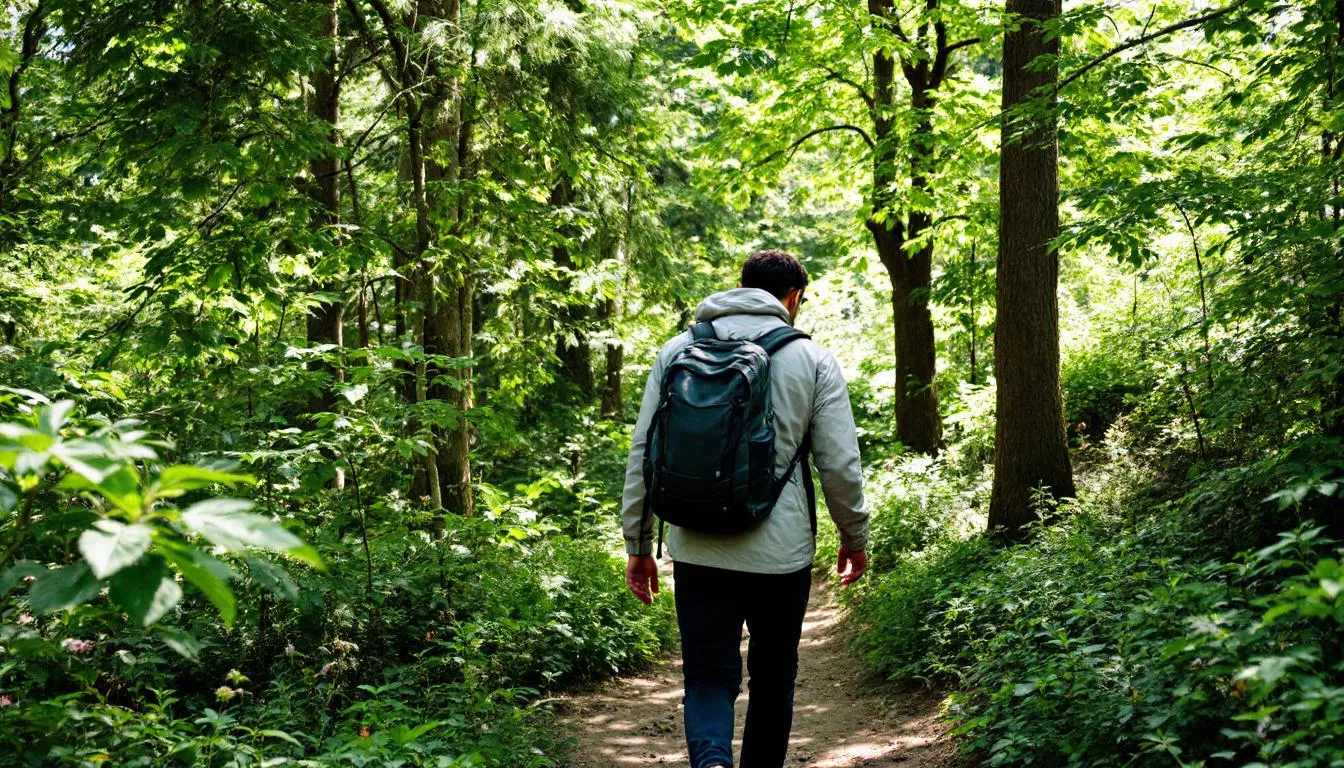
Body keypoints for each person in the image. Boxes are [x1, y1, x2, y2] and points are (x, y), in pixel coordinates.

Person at [620, 249, 869, 768]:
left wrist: (639, 545)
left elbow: (645, 453)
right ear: (793, 297)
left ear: (742, 287)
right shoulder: (813, 359)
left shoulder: (677, 351)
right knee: (774, 678)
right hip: (780, 555)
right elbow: (839, 464)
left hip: (697, 545)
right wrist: (853, 537)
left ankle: (711, 761)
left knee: (707, 676)